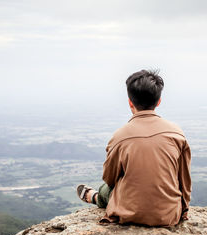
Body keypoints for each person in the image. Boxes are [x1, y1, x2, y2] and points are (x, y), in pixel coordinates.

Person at [77, 69, 191, 226]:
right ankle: (96, 196)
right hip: (169, 215)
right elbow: (184, 180)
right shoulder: (177, 134)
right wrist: (183, 210)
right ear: (158, 102)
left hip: (129, 213)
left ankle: (94, 197)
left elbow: (110, 179)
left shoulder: (119, 137)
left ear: (130, 102)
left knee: (107, 189)